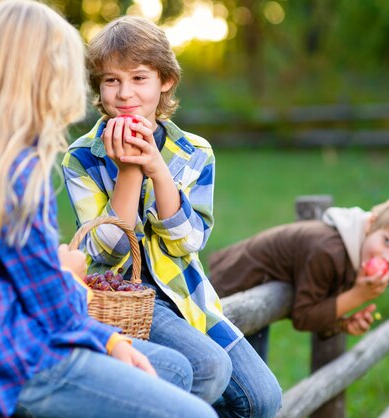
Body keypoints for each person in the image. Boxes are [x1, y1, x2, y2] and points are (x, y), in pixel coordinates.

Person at [0, 2, 218, 417]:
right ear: (44, 78)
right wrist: (75, 282)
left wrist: (64, 276)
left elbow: (16, 278)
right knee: (198, 413)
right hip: (18, 365)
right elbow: (53, 307)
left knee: (171, 368)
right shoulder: (19, 170)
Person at [62, 15, 282, 418]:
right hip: (122, 295)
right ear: (99, 87)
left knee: (263, 400)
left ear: (165, 81)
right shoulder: (81, 157)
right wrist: (128, 171)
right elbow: (107, 252)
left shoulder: (194, 152)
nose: (125, 93)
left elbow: (188, 243)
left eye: (139, 79)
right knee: (208, 370)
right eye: (111, 81)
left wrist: (158, 170)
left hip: (187, 294)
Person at [209, 195, 389, 337]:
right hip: (227, 292)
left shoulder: (355, 250)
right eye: (387, 241)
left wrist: (343, 324)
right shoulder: (330, 251)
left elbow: (320, 301)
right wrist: (358, 296)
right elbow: (304, 316)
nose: (388, 258)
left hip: (252, 300)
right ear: (371, 224)